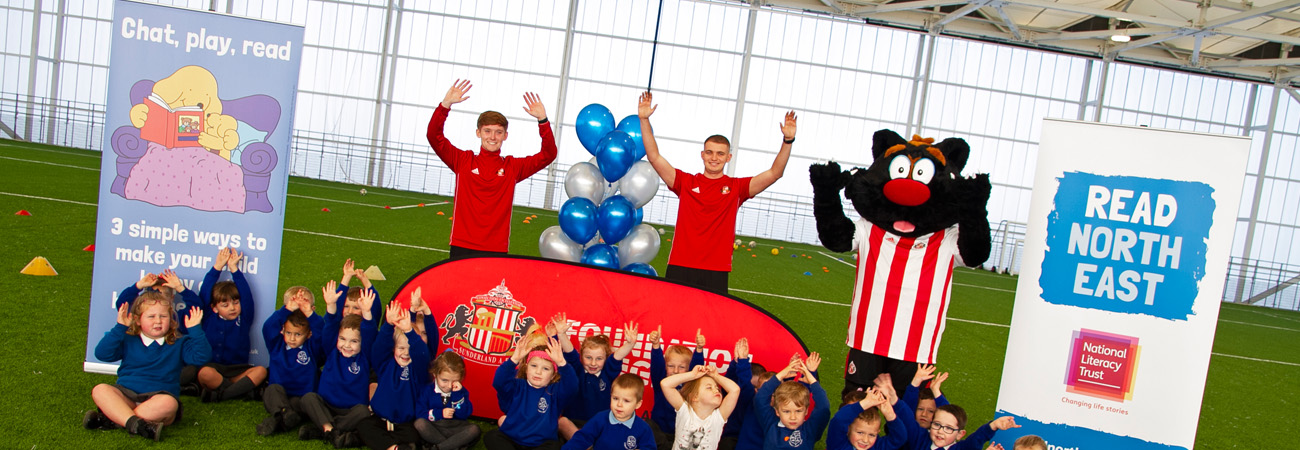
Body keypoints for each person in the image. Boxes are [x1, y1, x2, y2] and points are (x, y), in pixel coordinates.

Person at [637, 91, 797, 294]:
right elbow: (654, 157)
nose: (714, 158)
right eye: (710, 152)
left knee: (709, 324)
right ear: (702, 155)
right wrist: (644, 120)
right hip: (680, 265)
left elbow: (775, 173)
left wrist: (787, 141)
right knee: (677, 321)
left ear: (728, 157)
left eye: (720, 153)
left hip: (716, 270)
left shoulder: (737, 188)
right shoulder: (685, 182)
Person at [426, 79, 557, 258]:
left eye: (498, 132)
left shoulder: (513, 167)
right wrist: (445, 105)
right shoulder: (462, 161)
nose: (492, 137)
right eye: (487, 131)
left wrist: (543, 121)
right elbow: (434, 136)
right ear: (478, 133)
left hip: (495, 250)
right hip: (461, 245)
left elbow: (548, 154)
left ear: (505, 135)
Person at [83, 291, 210, 441]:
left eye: (163, 316)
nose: (158, 321)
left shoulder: (180, 342)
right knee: (100, 390)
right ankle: (136, 424)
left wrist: (195, 330)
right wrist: (119, 328)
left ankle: (113, 419)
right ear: (137, 320)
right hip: (126, 394)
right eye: (151, 316)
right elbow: (102, 354)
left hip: (159, 398)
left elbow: (201, 358)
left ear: (171, 319)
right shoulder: (127, 338)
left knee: (168, 404)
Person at [299, 282, 378, 444]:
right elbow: (330, 326)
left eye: (354, 341)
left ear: (362, 343)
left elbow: (370, 333)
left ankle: (326, 429)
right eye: (342, 339)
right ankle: (332, 430)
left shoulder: (365, 356)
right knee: (308, 398)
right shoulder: (332, 350)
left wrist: (367, 312)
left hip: (350, 411)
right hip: (326, 405)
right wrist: (331, 305)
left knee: (364, 412)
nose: (347, 345)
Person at [192, 247, 266, 402]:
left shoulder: (244, 318)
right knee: (205, 374)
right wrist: (217, 267)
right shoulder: (207, 317)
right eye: (225, 305)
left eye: (235, 303)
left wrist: (234, 268)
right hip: (214, 368)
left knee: (260, 371)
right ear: (214, 308)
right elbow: (204, 294)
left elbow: (246, 295)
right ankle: (242, 392)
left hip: (237, 371)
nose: (232, 308)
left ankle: (222, 394)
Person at [356, 303, 432, 450]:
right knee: (364, 426)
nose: (406, 353)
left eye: (410, 349)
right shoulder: (385, 365)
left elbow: (422, 355)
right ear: (393, 348)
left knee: (414, 436)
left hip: (405, 424)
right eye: (401, 348)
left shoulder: (418, 370)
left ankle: (386, 443)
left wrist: (410, 331)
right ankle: (393, 448)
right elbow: (378, 348)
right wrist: (388, 325)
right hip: (380, 419)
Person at [487, 335, 577, 450]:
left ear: (553, 375)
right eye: (534, 366)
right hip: (512, 439)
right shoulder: (517, 386)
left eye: (546, 369)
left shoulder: (555, 392)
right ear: (526, 368)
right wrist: (513, 360)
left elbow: (572, 386)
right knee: (492, 437)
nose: (538, 372)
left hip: (540, 444)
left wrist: (561, 363)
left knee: (553, 446)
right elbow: (499, 382)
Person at [557, 314, 638, 439]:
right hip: (575, 424)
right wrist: (561, 335)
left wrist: (629, 344)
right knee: (562, 422)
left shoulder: (608, 373)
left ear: (606, 358)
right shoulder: (577, 370)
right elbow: (570, 352)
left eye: (599, 359)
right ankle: (585, 444)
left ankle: (589, 444)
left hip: (599, 426)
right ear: (581, 355)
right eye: (588, 357)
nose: (593, 363)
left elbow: (617, 357)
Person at [257, 288, 325, 436]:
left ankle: (277, 421)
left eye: (298, 334)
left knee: (299, 404)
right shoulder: (276, 345)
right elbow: (268, 328)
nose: (292, 338)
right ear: (283, 330)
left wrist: (309, 314)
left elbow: (322, 332)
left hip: (302, 398)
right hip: (282, 396)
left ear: (308, 334)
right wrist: (287, 309)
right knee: (271, 390)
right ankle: (285, 414)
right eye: (288, 333)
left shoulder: (311, 347)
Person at [752, 354, 830, 450]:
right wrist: (782, 374)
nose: (793, 417)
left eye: (798, 411)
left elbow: (824, 407)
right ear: (777, 411)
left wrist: (811, 379)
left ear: (806, 411)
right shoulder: (770, 424)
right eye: (786, 411)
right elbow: (760, 398)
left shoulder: (810, 430)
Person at [561, 373, 658, 450]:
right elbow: (582, 438)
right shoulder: (600, 419)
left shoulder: (643, 428)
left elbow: (649, 447)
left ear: (638, 404)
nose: (619, 404)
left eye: (626, 401)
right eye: (615, 398)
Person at [660, 364, 742, 450]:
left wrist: (716, 376)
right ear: (694, 397)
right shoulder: (685, 411)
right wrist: (692, 375)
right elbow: (665, 384)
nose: (716, 390)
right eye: (709, 387)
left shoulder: (717, 418)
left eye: (717, 388)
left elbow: (735, 390)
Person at [649, 326, 706, 449]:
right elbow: (657, 365)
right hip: (659, 432)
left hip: (681, 434)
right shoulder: (662, 381)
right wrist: (656, 346)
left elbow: (696, 370)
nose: (675, 371)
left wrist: (699, 350)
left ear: (689, 369)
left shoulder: (689, 385)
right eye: (670, 366)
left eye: (681, 367)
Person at [414, 351, 481, 450]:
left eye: (454, 381)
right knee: (419, 424)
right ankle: (452, 446)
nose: (449, 386)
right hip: (435, 427)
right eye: (444, 380)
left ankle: (438, 448)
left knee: (474, 430)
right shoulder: (427, 390)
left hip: (454, 428)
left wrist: (457, 395)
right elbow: (420, 413)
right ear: (435, 374)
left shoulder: (461, 392)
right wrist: (440, 413)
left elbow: (464, 415)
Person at [901, 404, 1018, 450]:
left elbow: (975, 440)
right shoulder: (920, 440)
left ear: (960, 434)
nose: (941, 431)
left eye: (949, 428)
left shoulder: (961, 449)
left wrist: (993, 425)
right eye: (937, 425)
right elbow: (908, 420)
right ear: (930, 426)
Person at [827, 387, 908, 450]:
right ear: (848, 429)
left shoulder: (877, 446)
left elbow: (899, 438)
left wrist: (890, 415)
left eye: (872, 435)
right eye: (860, 433)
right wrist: (865, 403)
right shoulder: (838, 444)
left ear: (877, 432)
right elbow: (839, 420)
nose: (865, 440)